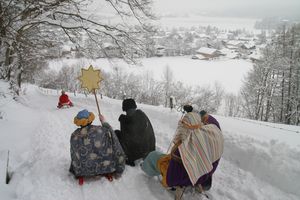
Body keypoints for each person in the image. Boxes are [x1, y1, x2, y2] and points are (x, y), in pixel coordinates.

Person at [141, 111, 224, 195]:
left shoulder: (186, 145)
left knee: (153, 156)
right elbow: (210, 119)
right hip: (206, 175)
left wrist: (169, 180)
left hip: (186, 177)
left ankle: (145, 167)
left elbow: (173, 175)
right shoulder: (211, 133)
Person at [69, 109, 125, 184]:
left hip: (83, 169)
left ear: (79, 123)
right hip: (105, 166)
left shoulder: (74, 135)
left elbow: (74, 154)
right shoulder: (101, 130)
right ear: (90, 120)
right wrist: (103, 121)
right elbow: (111, 133)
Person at [115, 98, 156, 166]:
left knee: (116, 134)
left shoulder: (125, 120)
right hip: (149, 149)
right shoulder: (142, 115)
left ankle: (129, 158)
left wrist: (122, 120)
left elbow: (126, 139)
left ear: (125, 108)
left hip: (137, 153)